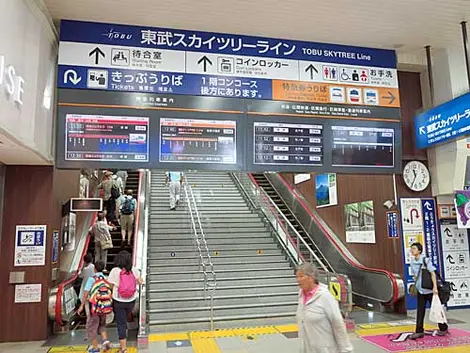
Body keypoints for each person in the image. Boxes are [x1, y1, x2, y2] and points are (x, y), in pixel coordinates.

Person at [296, 262, 353, 353]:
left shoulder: (325, 296)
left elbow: (338, 324)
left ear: (311, 277)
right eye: (297, 277)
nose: (298, 280)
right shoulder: (301, 295)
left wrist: (346, 350)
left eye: (301, 276)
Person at [409, 242, 449, 339]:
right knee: (420, 311)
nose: (412, 250)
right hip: (420, 290)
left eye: (414, 248)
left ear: (419, 250)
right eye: (411, 248)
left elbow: (432, 273)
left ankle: (443, 328)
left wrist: (435, 287)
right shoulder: (412, 261)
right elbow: (415, 275)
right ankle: (419, 331)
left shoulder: (425, 260)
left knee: (436, 309)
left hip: (430, 291)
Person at [108, 251, 143, 353]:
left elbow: (110, 285)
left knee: (121, 323)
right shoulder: (134, 270)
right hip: (131, 301)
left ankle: (123, 349)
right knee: (126, 317)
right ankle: (131, 322)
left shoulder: (115, 271)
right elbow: (140, 281)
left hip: (119, 301)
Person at [78, 260, 112, 353]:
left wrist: (81, 306)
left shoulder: (92, 279)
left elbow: (86, 293)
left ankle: (95, 347)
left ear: (94, 268)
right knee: (102, 325)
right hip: (104, 306)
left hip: (94, 307)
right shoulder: (105, 278)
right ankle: (105, 342)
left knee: (92, 327)